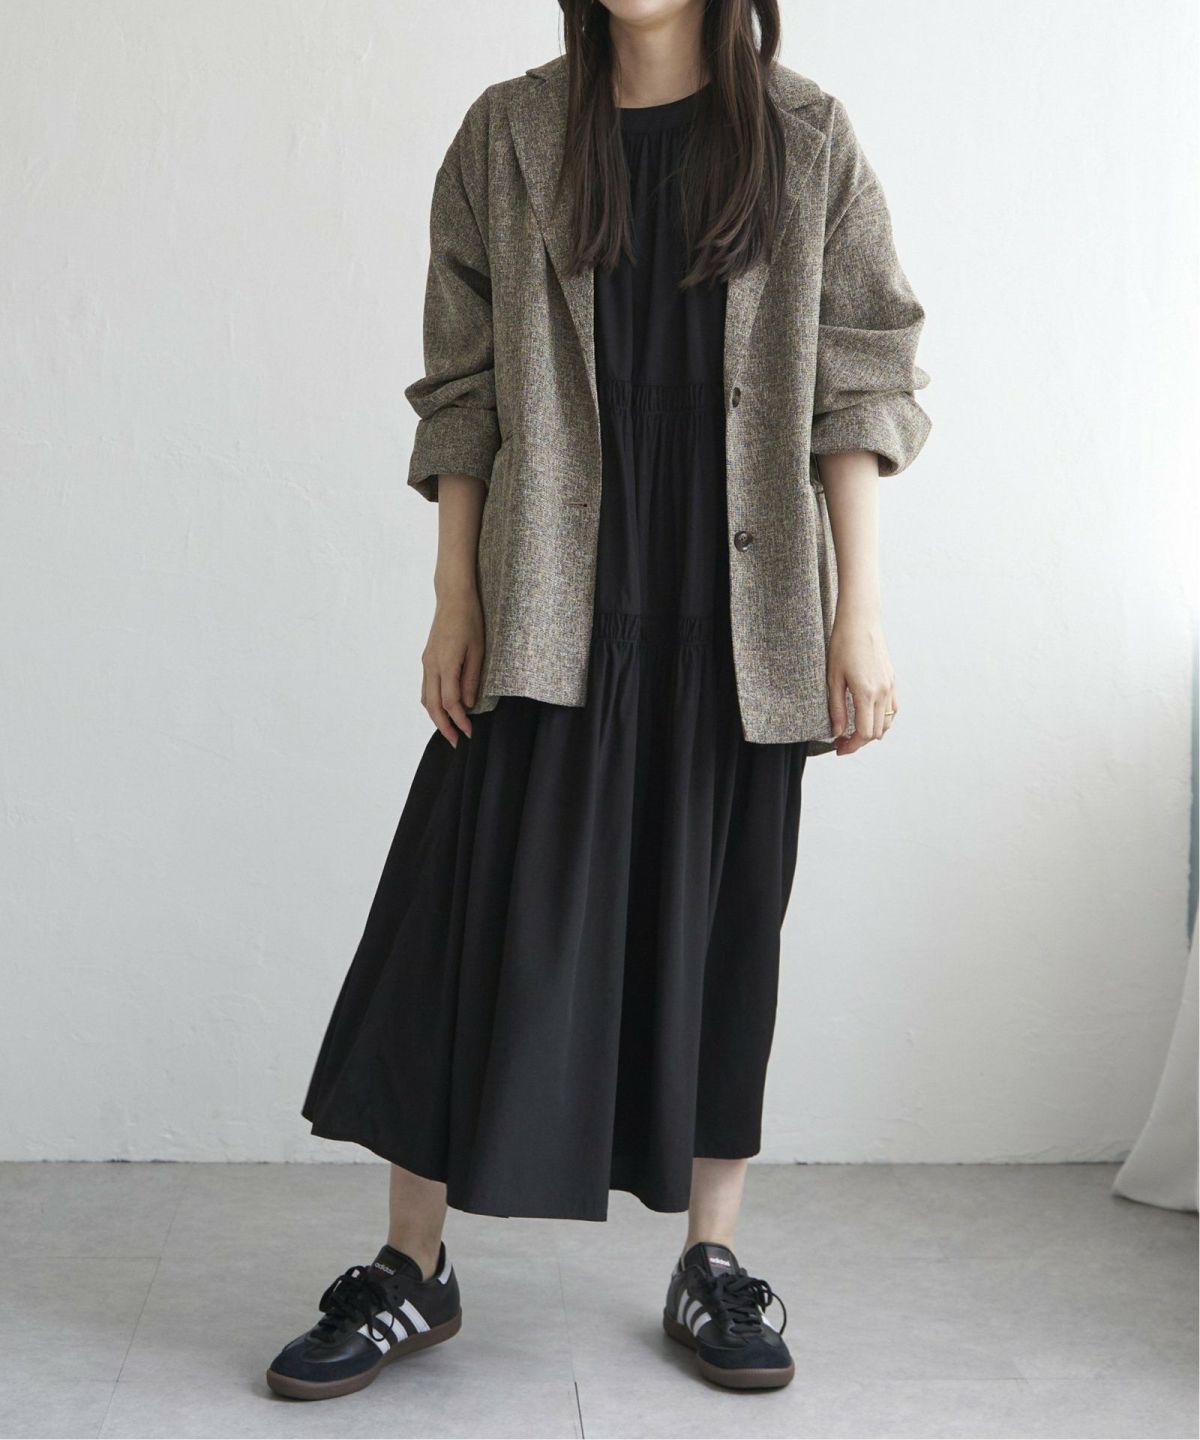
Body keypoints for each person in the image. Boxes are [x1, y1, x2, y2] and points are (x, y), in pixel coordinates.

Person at [267, 0, 930, 1401]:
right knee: (458, 922)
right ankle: (411, 1267)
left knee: (724, 931)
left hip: (738, 615)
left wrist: (857, 611)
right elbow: (462, 385)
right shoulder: (509, 135)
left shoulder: (806, 139)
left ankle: (712, 1260)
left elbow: (861, 375)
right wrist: (455, 596)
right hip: (550, 604)